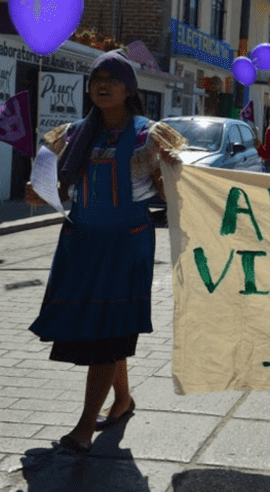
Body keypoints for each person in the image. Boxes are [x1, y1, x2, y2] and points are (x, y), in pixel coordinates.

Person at [24, 50, 185, 454]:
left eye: (112, 78)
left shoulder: (152, 136)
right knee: (103, 327)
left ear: (129, 88)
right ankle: (123, 402)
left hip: (126, 243)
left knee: (110, 332)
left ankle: (82, 427)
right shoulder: (72, 135)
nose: (103, 84)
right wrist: (38, 194)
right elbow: (56, 192)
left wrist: (170, 171)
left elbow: (171, 196)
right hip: (81, 242)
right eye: (97, 77)